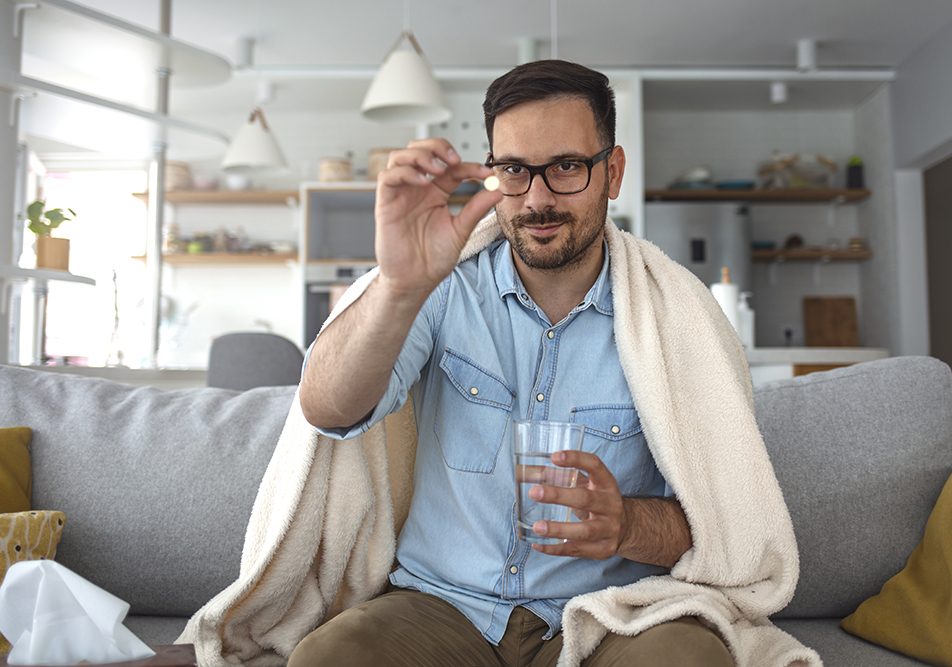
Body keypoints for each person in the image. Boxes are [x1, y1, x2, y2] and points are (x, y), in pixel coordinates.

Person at [292, 60, 735, 666]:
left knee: (691, 658)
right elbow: (326, 408)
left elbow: (728, 520)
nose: (538, 198)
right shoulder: (443, 288)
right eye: (515, 172)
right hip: (440, 607)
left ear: (613, 172)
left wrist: (626, 524)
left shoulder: (677, 319)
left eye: (567, 167)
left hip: (612, 614)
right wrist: (398, 286)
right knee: (329, 660)